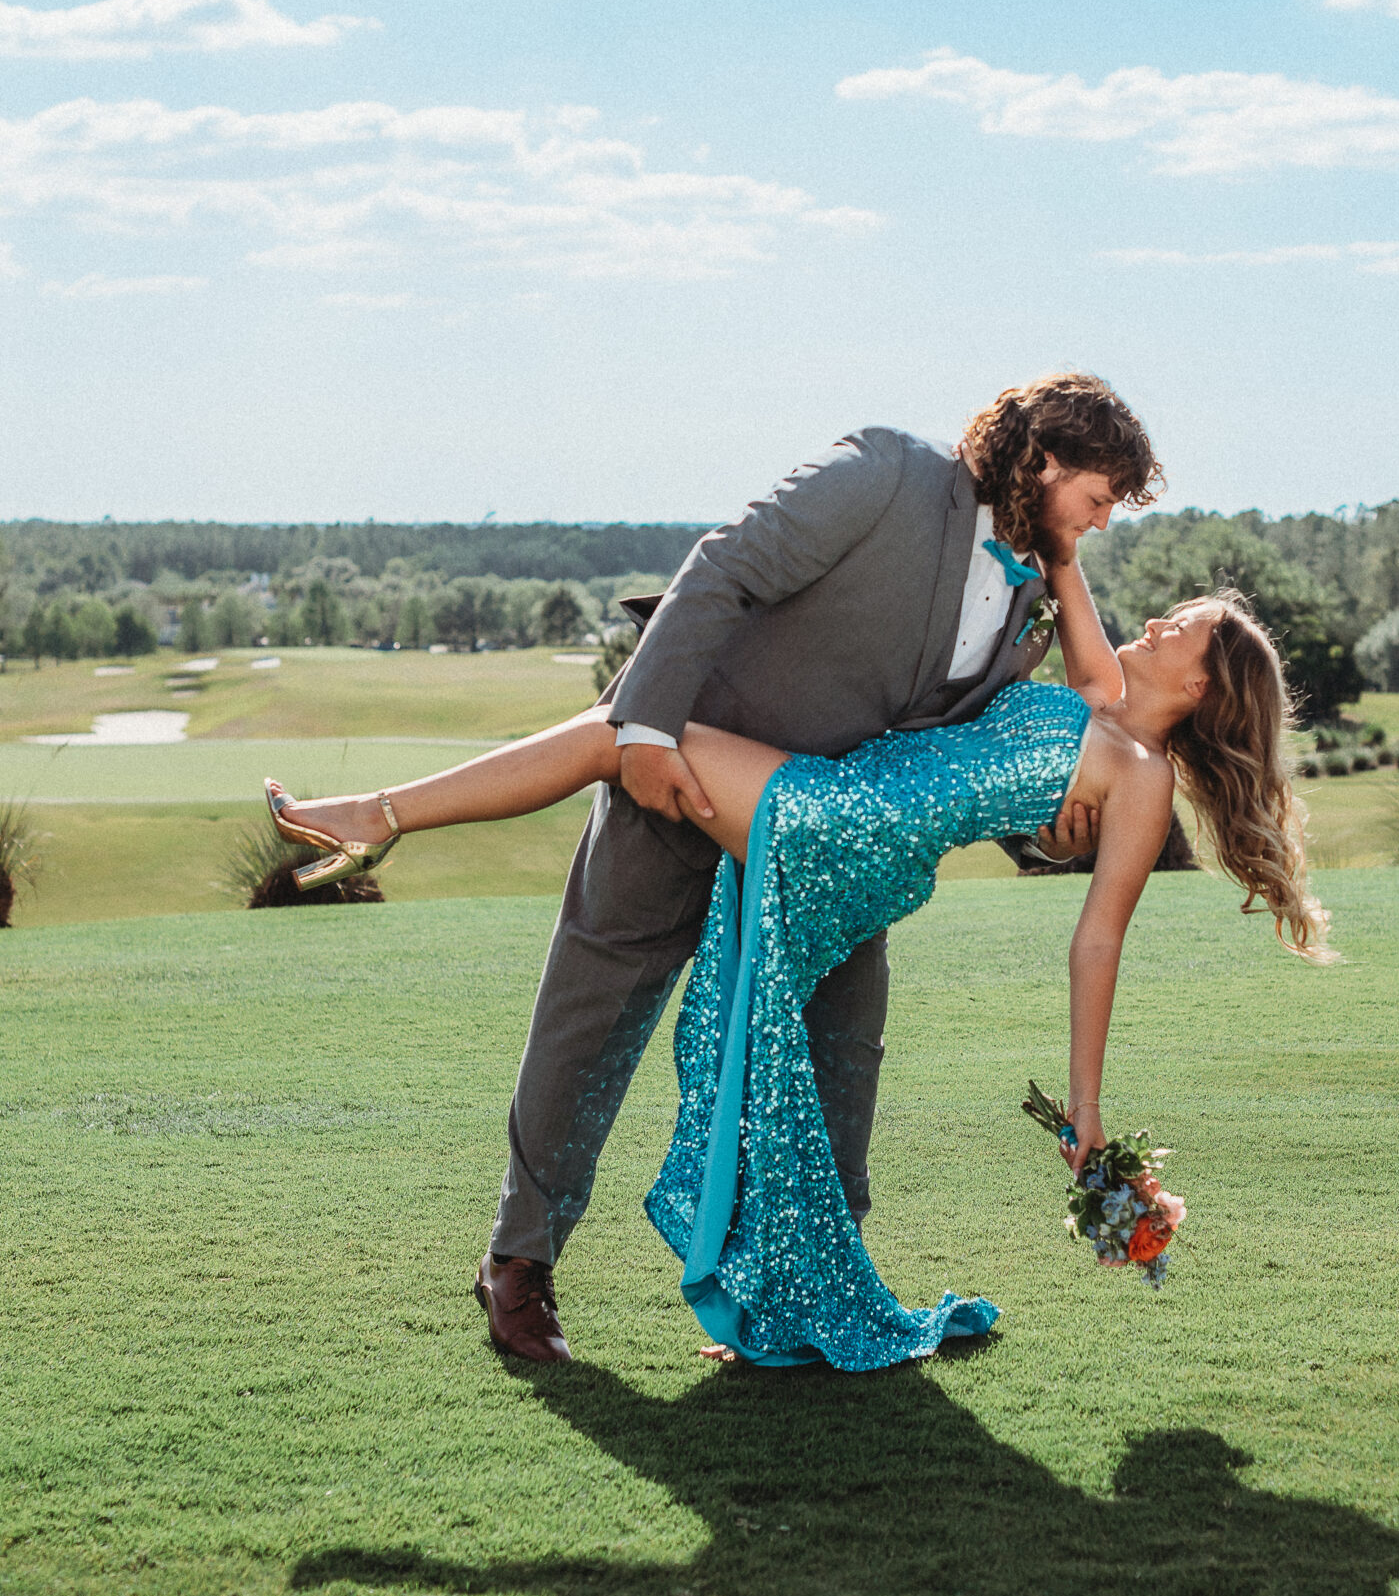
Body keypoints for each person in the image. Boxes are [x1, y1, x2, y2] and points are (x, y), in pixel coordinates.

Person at [269, 548, 1334, 1368]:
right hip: (848, 814)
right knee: (769, 1062)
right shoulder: (1100, 694)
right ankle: (780, 1300)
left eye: (1179, 630)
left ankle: (378, 814)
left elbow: (1095, 941)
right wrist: (1037, 503)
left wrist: (1088, 1115)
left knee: (619, 730)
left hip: (844, 824)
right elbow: (1062, 558)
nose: (1153, 625)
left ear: (1204, 686)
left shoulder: (1142, 778)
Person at [375, 375, 1166, 1364]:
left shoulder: (1031, 596)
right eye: (1096, 499)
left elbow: (956, 760)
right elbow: (724, 567)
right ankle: (519, 1263)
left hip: (825, 847)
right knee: (594, 1015)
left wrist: (1051, 836)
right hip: (687, 768)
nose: (1095, 524)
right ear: (1045, 458)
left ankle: (804, 1299)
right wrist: (652, 729)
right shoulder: (883, 471)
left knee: (846, 1053)